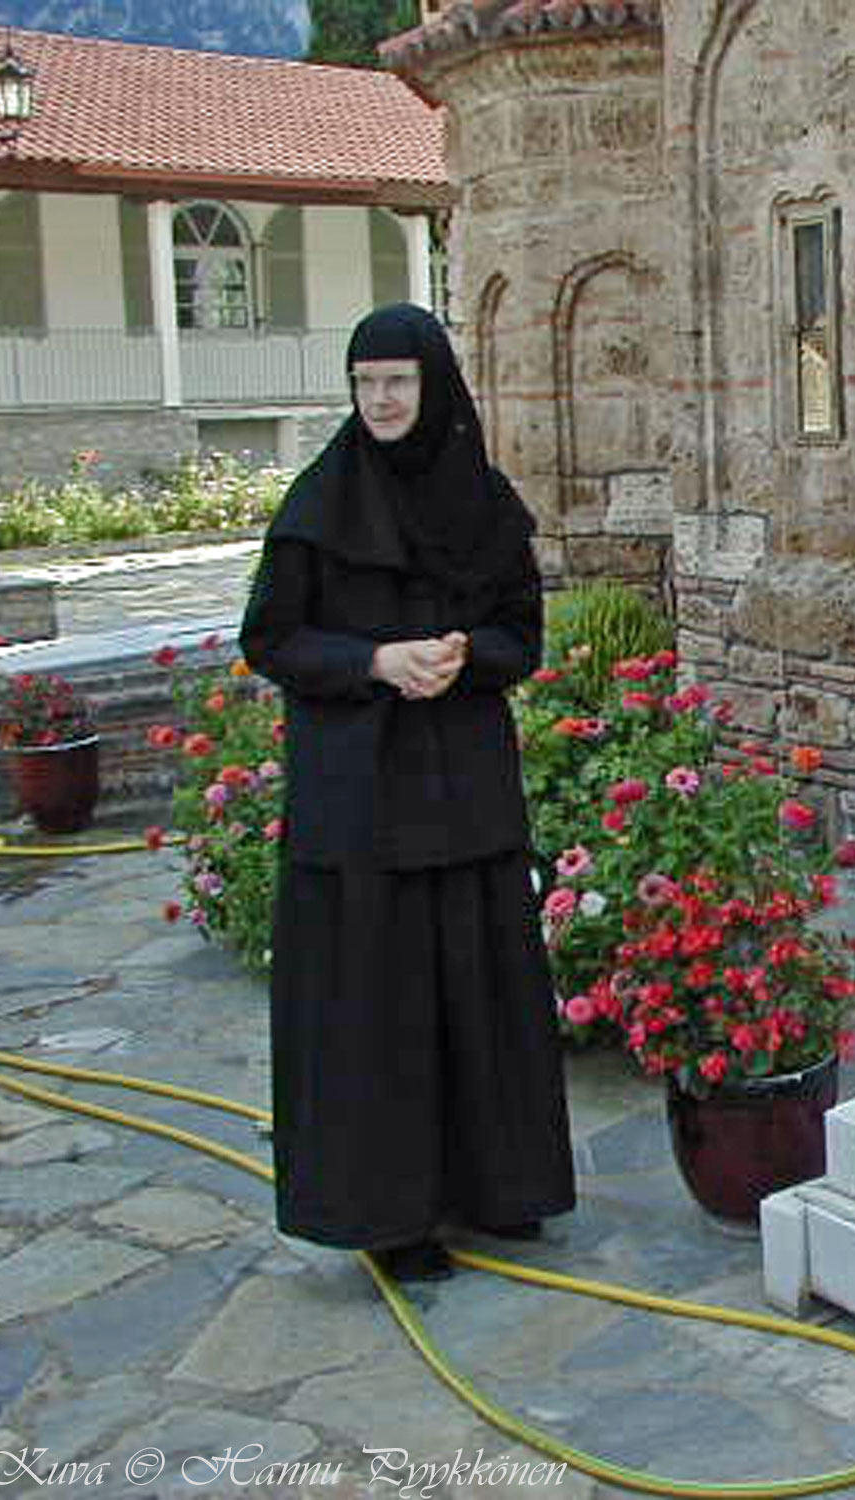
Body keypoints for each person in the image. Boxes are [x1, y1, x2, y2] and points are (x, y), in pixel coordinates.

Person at [241, 303, 574, 1282]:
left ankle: (501, 1188)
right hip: (361, 797)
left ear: (435, 386)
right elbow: (272, 638)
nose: (381, 400)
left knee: (480, 987)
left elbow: (521, 634)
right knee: (378, 1006)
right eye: (364, 382)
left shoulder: (485, 502)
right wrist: (375, 660)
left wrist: (468, 655)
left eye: (397, 381)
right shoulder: (320, 503)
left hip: (463, 786)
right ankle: (392, 1218)